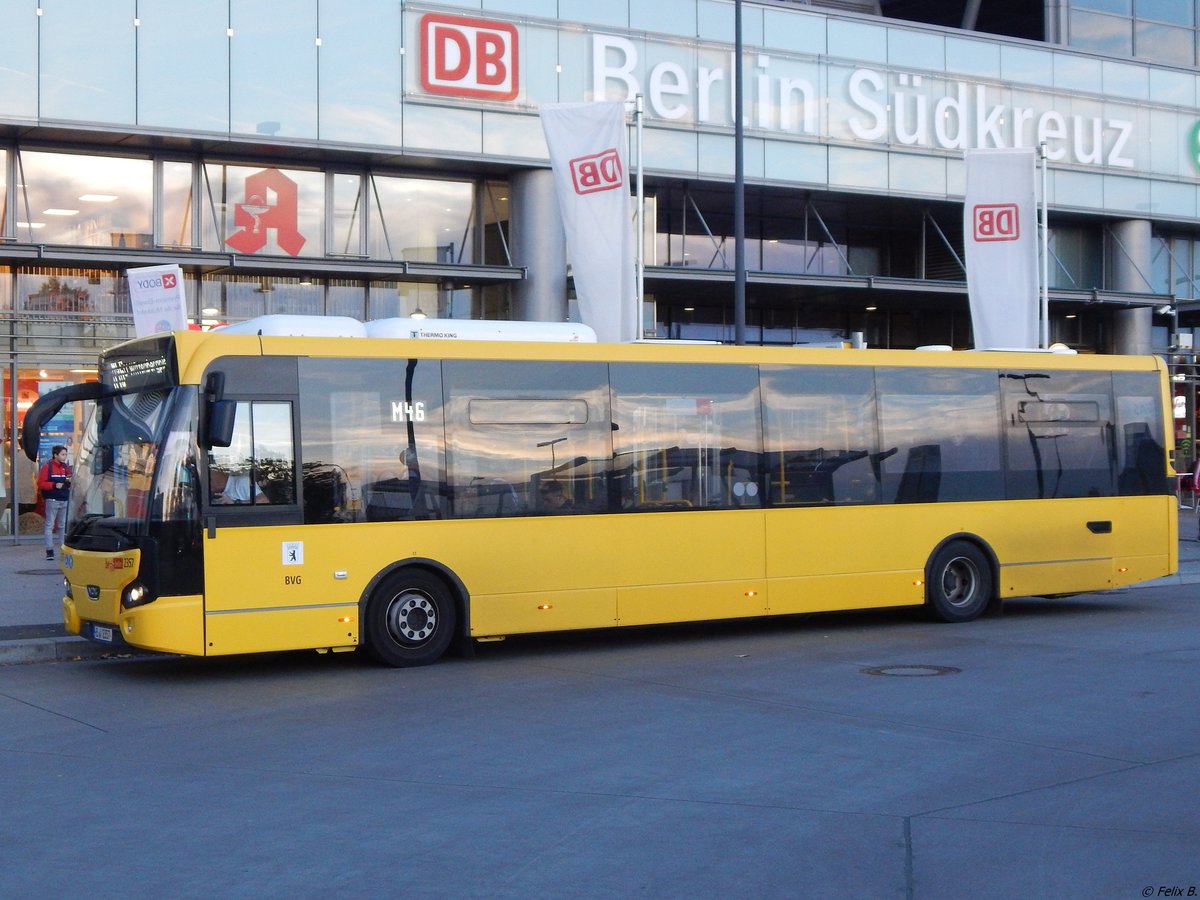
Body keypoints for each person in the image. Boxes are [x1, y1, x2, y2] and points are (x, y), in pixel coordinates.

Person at [38, 445, 72, 560]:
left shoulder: (65, 467)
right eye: (62, 454)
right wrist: (53, 485)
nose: (64, 456)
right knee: (50, 525)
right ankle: (49, 551)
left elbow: (68, 479)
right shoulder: (47, 467)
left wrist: (69, 481)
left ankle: (63, 549)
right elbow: (41, 483)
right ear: (55, 455)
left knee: (62, 526)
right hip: (52, 500)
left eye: (65, 454)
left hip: (63, 499)